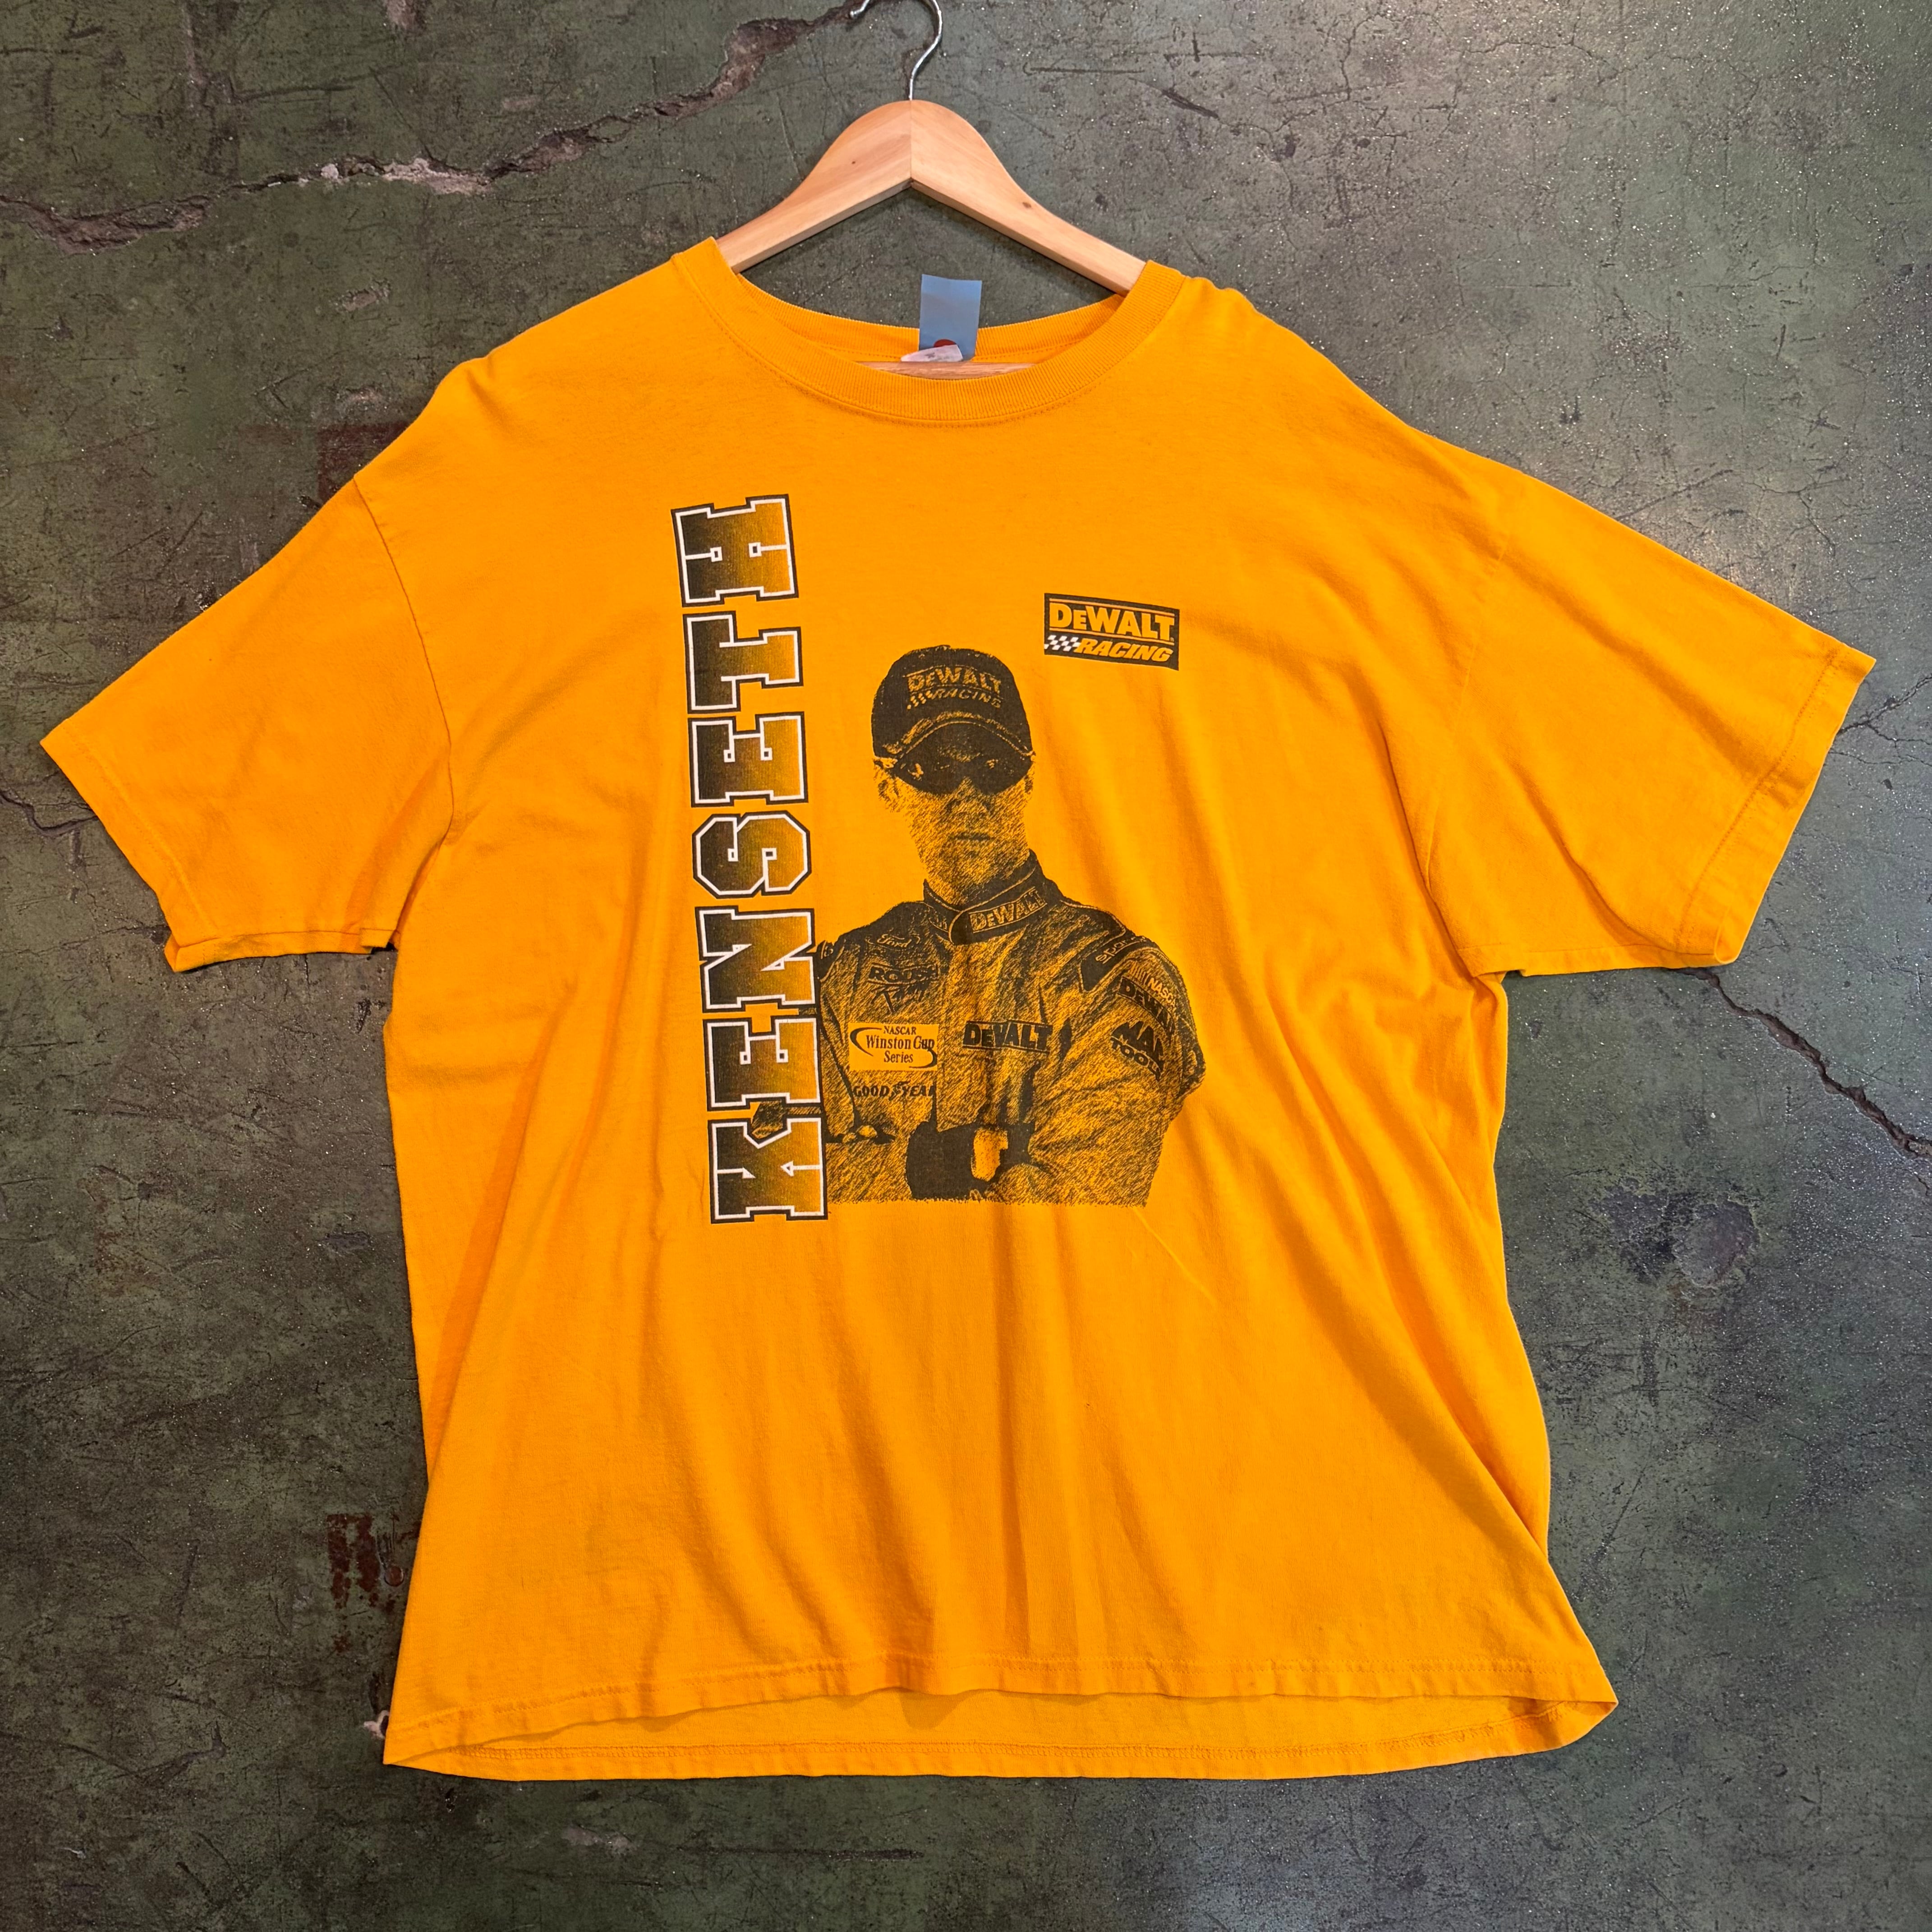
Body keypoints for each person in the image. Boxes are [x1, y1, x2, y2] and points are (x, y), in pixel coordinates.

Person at [815, 645, 1205, 1203]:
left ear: (1027, 781)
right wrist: (958, 1160)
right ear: (888, 786)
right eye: (935, 770)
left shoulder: (1115, 976)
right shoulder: (848, 972)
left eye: (993, 768)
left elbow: (1082, 1199)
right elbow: (787, 1174)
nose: (968, 797)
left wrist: (879, 1162)